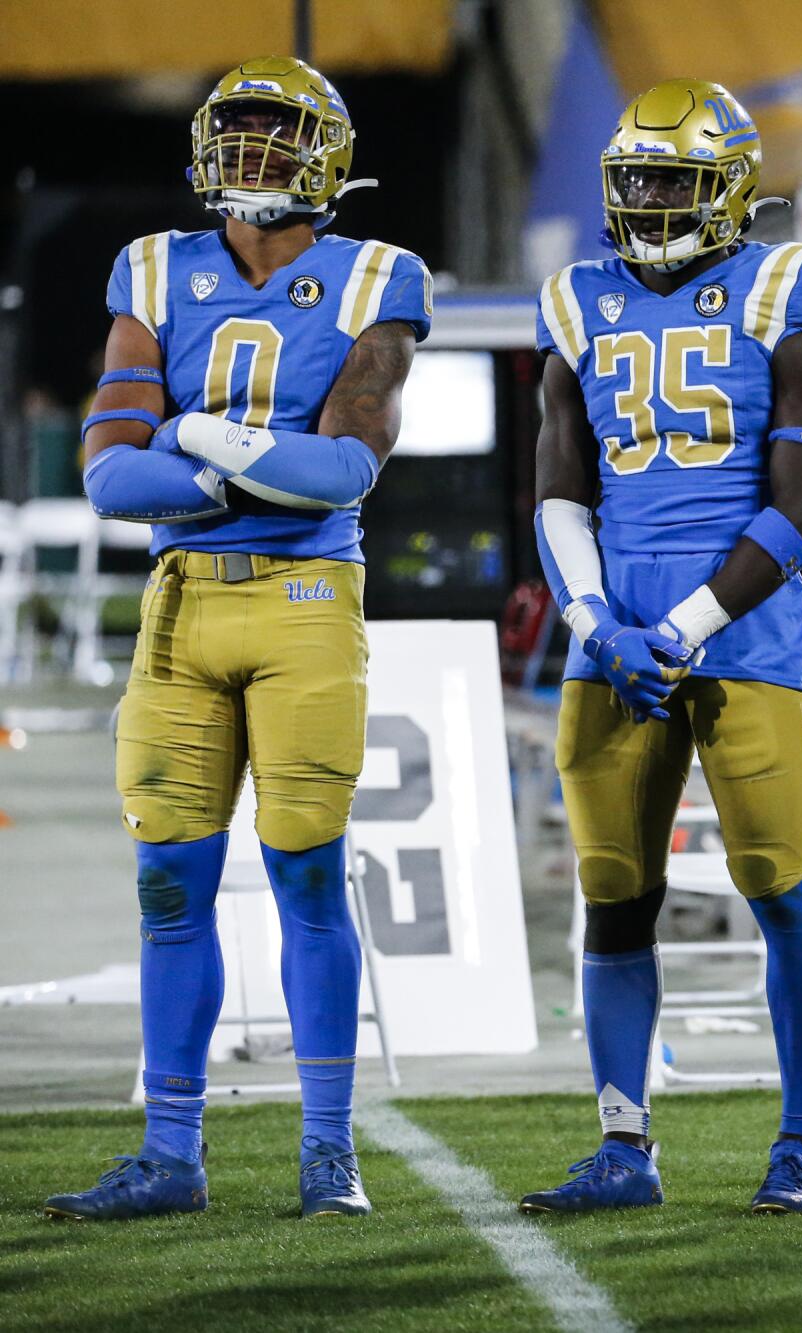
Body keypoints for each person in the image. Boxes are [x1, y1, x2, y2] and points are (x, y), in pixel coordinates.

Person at [47, 57, 430, 1220]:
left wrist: (196, 432)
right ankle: (172, 1154)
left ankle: (327, 1152)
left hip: (306, 606)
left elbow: (344, 467)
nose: (255, 153)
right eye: (240, 130)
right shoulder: (153, 267)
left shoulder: (378, 275)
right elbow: (110, 472)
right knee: (170, 883)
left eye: (278, 133)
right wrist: (240, 471)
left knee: (306, 873)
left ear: (327, 154)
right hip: (183, 603)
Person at [526, 79, 802, 1216]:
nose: (655, 198)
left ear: (732, 190)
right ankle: (623, 1144)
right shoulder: (575, 299)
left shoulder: (782, 284)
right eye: (640, 179)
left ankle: (801, 1144)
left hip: (744, 627)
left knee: (778, 882)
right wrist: (592, 623)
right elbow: (560, 492)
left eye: (677, 178)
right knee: (615, 893)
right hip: (611, 634)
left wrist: (679, 627)